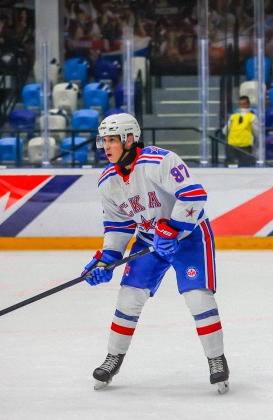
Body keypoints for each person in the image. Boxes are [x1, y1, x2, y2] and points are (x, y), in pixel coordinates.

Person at [82, 113, 230, 394]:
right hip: (148, 240)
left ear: (129, 139)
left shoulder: (160, 161)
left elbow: (194, 195)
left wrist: (173, 229)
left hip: (188, 238)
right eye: (103, 140)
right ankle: (113, 357)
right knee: (128, 297)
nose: (106, 146)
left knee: (198, 297)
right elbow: (118, 225)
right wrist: (106, 258)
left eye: (111, 140)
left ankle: (216, 360)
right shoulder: (107, 181)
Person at [223, 95, 258, 167]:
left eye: (244, 104)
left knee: (245, 167)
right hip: (232, 146)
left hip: (245, 146)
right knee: (230, 167)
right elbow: (225, 130)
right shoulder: (233, 116)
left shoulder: (252, 117)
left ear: (248, 104)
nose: (242, 106)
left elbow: (257, 132)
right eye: (240, 104)